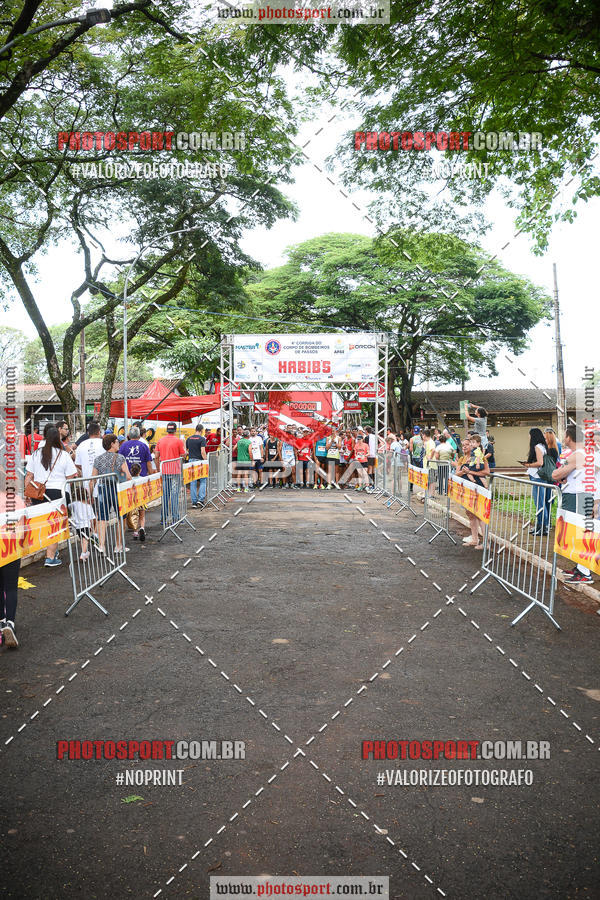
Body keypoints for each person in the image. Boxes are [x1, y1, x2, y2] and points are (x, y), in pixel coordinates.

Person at [25, 426, 77, 567]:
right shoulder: (63, 455)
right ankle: (50, 556)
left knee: (43, 523)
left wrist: (27, 493)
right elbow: (71, 476)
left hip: (38, 492)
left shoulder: (36, 454)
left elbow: (29, 475)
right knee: (55, 524)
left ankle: (50, 551)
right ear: (58, 439)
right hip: (58, 492)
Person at [552, 424, 594, 584]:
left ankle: (585, 572)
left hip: (577, 496)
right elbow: (562, 474)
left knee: (579, 532)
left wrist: (560, 474)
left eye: (565, 435)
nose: (563, 438)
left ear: (569, 437)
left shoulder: (578, 455)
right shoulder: (580, 453)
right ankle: (580, 567)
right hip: (577, 495)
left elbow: (556, 474)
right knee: (576, 531)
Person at [91, 434, 131, 553]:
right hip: (117, 490)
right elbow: (128, 476)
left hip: (103, 489)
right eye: (117, 442)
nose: (119, 444)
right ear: (112, 444)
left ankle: (102, 546)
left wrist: (90, 494)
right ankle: (118, 545)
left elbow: (93, 479)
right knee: (121, 517)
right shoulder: (120, 458)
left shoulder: (98, 459)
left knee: (102, 518)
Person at [0, 488, 27, 647]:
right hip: (11, 547)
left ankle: (1, 623)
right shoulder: (17, 500)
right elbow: (22, 530)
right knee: (10, 588)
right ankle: (10, 622)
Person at [456, 436, 490, 548]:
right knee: (470, 514)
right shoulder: (462, 459)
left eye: (467, 444)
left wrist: (471, 472)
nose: (464, 447)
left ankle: (486, 542)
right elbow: (456, 474)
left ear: (472, 445)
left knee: (480, 515)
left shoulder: (479, 456)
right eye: (463, 445)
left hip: (478, 488)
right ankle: (475, 539)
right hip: (466, 490)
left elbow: (487, 471)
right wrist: (463, 472)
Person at [524, 427, 556, 536]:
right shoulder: (543, 446)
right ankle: (541, 526)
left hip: (537, 477)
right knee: (541, 503)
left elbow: (540, 463)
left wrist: (528, 465)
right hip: (541, 477)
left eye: (529, 435)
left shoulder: (537, 447)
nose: (528, 437)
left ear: (533, 435)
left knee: (540, 504)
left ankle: (543, 527)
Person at [155, 422, 186, 528]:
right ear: (175, 430)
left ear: (167, 430)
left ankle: (163, 518)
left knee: (165, 495)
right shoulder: (178, 441)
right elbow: (183, 455)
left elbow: (156, 456)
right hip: (175, 471)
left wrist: (158, 468)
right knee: (174, 495)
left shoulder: (160, 440)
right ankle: (175, 518)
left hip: (164, 471)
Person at [186, 424, 208, 508]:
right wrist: (206, 461)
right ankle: (201, 500)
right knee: (203, 480)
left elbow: (187, 450)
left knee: (193, 482)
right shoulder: (202, 439)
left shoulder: (189, 439)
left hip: (191, 461)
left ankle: (194, 502)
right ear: (201, 430)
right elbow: (203, 451)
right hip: (200, 461)